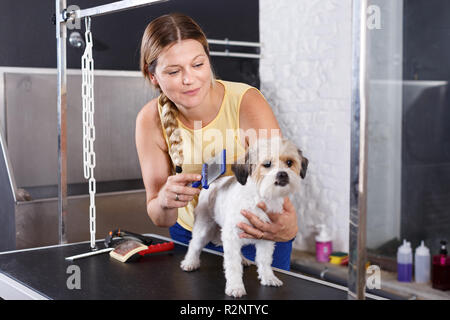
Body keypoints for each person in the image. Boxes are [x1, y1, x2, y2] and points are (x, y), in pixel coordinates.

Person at [135, 13, 298, 270]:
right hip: (191, 234)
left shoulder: (246, 102)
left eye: (198, 65)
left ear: (208, 61)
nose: (189, 79)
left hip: (252, 233)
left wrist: (285, 229)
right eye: (174, 71)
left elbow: (278, 184)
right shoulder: (149, 120)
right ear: (153, 75)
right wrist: (166, 200)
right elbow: (160, 217)